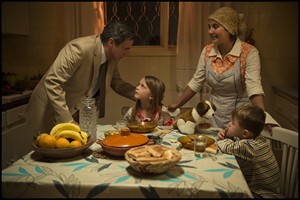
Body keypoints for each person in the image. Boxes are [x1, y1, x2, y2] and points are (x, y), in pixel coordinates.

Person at [167, 7, 277, 132]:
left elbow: (254, 86)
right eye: (209, 27)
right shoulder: (208, 51)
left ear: (229, 29)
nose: (210, 31)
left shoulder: (249, 53)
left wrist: (263, 116)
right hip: (214, 114)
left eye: (215, 26)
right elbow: (196, 82)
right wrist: (177, 104)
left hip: (241, 118)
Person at [25, 20, 136, 136]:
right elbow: (52, 82)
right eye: (126, 48)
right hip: (49, 112)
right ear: (111, 42)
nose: (127, 53)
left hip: (77, 111)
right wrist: (67, 120)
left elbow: (117, 84)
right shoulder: (78, 49)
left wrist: (144, 97)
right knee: (49, 149)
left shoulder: (112, 58)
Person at [216, 105, 281, 198]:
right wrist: (228, 136)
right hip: (260, 190)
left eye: (233, 123)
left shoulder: (251, 147)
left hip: (262, 194)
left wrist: (222, 140)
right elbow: (238, 143)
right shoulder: (257, 138)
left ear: (245, 133)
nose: (229, 124)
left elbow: (226, 147)